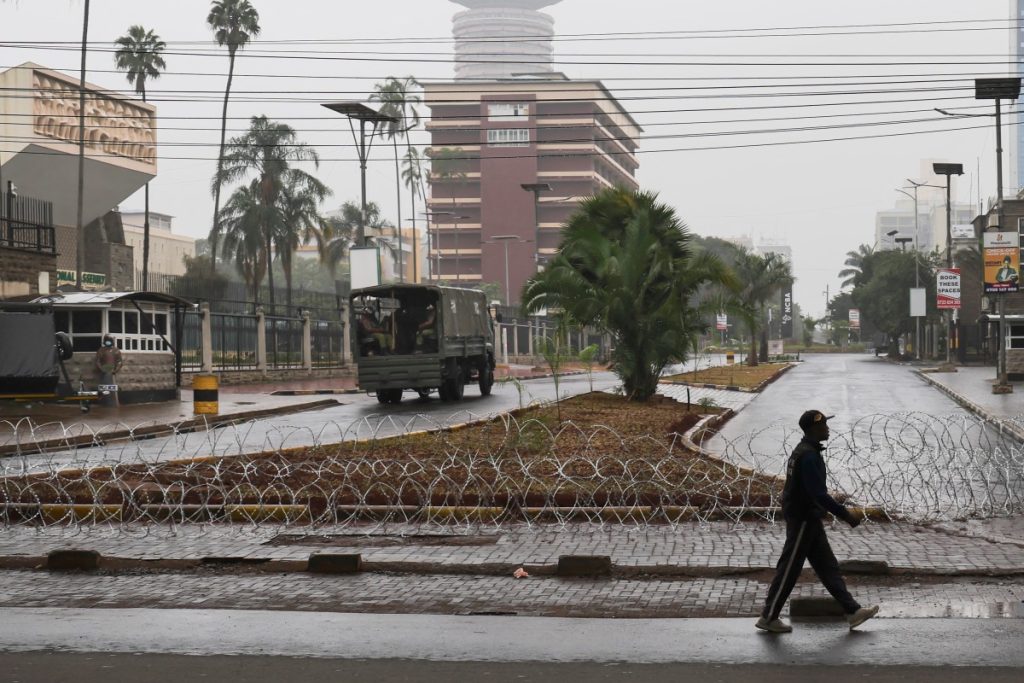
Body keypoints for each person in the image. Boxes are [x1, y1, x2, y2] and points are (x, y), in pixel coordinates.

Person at [756, 410, 879, 634]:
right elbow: (818, 494)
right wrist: (845, 514)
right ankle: (768, 616)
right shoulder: (809, 455)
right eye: (824, 426)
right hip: (803, 518)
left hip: (809, 517)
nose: (828, 429)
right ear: (814, 429)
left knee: (828, 567)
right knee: (789, 569)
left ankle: (852, 611)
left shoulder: (805, 451)